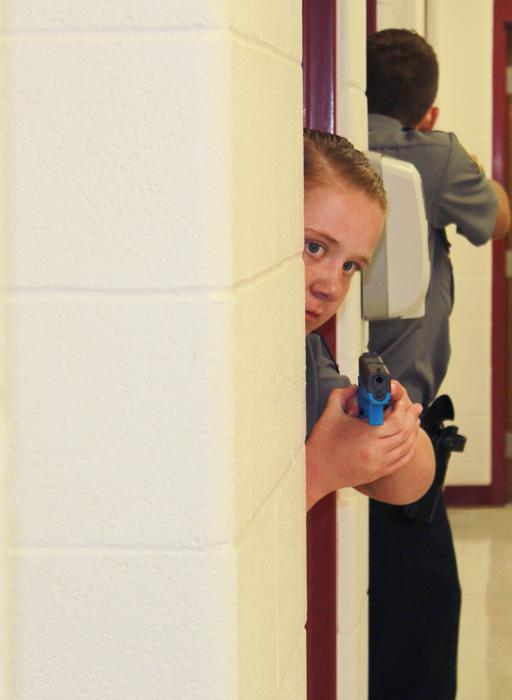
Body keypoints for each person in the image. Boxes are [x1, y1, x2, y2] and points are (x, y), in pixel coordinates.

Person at [365, 29, 511, 700]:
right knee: (426, 606)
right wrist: (454, 152)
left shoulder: (320, 144)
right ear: (429, 110)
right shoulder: (436, 156)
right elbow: (498, 220)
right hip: (398, 422)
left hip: (335, 402)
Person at [302, 128, 434, 511]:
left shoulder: (305, 352)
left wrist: (394, 425)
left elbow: (409, 484)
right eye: (314, 247)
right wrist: (320, 471)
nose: (331, 286)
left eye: (349, 266)